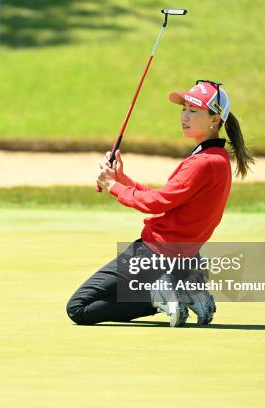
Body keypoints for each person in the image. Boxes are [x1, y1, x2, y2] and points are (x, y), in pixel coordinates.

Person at [66, 80, 254, 327]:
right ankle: (184, 289)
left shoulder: (203, 163)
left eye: (193, 111)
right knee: (112, 298)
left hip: (155, 254)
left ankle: (165, 292)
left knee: (79, 307)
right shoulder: (214, 159)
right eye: (183, 109)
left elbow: (156, 203)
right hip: (183, 256)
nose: (184, 116)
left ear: (214, 119)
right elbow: (169, 199)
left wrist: (114, 186)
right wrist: (122, 179)